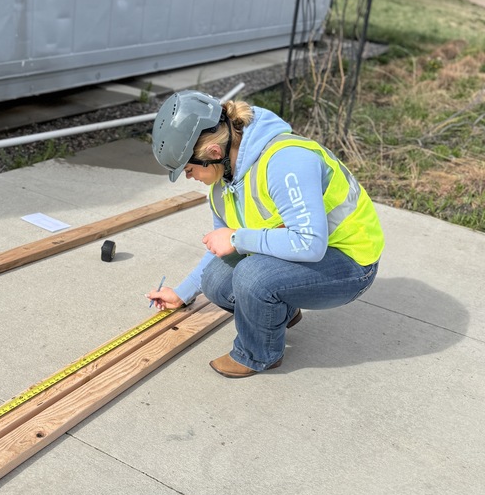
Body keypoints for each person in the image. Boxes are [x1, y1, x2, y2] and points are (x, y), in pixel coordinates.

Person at [146, 90, 384, 377]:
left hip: (350, 263)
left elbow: (310, 243)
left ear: (214, 153)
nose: (189, 177)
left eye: (188, 169)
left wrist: (237, 238)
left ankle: (258, 354)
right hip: (304, 258)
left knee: (252, 275)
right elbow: (220, 249)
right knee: (216, 280)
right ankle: (280, 311)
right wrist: (182, 293)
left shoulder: (286, 162)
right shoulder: (223, 184)